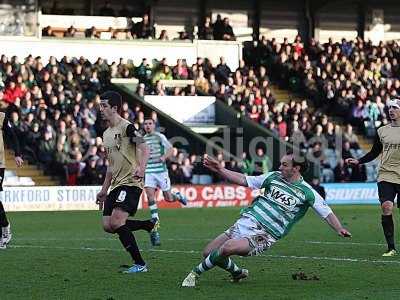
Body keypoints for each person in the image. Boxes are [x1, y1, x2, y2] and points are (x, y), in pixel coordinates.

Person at [182, 153, 351, 287]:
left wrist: (339, 228)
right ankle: (237, 272)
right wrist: (220, 169)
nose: (280, 167)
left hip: (264, 234)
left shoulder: (307, 192)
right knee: (208, 253)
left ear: (296, 168)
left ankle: (194, 274)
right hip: (245, 222)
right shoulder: (273, 177)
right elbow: (244, 180)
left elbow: (326, 212)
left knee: (227, 248)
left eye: (284, 165)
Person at [95, 91, 156, 273]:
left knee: (117, 221)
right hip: (116, 184)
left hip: (131, 182)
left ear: (115, 108)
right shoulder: (106, 134)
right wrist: (104, 190)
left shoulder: (128, 128)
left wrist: (142, 168)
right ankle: (147, 225)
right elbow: (110, 165)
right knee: (108, 225)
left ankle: (140, 264)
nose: (101, 109)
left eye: (104, 105)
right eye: (100, 105)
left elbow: (145, 148)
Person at [346, 98, 400, 257]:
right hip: (386, 175)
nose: (391, 110)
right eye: (389, 108)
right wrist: (359, 161)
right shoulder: (382, 131)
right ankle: (391, 248)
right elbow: (375, 152)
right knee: (386, 207)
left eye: (395, 108)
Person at [143, 118, 187, 246]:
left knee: (168, 198)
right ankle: (155, 220)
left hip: (161, 172)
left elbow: (170, 149)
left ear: (154, 125)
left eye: (150, 123)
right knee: (150, 196)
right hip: (149, 171)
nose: (147, 126)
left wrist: (163, 157)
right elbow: (140, 154)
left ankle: (177, 196)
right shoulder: (143, 139)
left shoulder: (159, 136)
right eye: (145, 124)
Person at [0, 112, 24, 249]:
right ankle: (4, 225)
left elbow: (12, 135)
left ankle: (2, 233)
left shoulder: (2, 117)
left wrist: (17, 154)